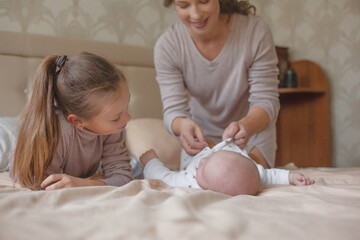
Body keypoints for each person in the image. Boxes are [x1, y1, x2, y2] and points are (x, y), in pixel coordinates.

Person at [155, 0, 280, 169]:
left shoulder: (255, 31)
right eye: (184, 5)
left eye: (204, 1)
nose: (196, 15)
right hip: (201, 136)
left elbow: (266, 100)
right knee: (208, 180)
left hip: (253, 130)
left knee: (247, 176)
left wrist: (246, 126)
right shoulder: (168, 46)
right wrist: (183, 126)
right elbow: (173, 111)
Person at [10, 52, 133, 190]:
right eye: (116, 117)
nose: (127, 118)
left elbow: (123, 176)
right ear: (77, 121)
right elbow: (43, 184)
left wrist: (87, 183)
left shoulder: (113, 126)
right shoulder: (58, 130)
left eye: (126, 107)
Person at [140, 139, 315, 196]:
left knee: (190, 147)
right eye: (209, 158)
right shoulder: (254, 174)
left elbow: (162, 177)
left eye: (202, 169)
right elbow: (273, 175)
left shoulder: (189, 181)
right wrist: (290, 176)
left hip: (189, 157)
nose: (202, 161)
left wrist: (151, 161)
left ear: (208, 188)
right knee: (206, 144)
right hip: (227, 152)